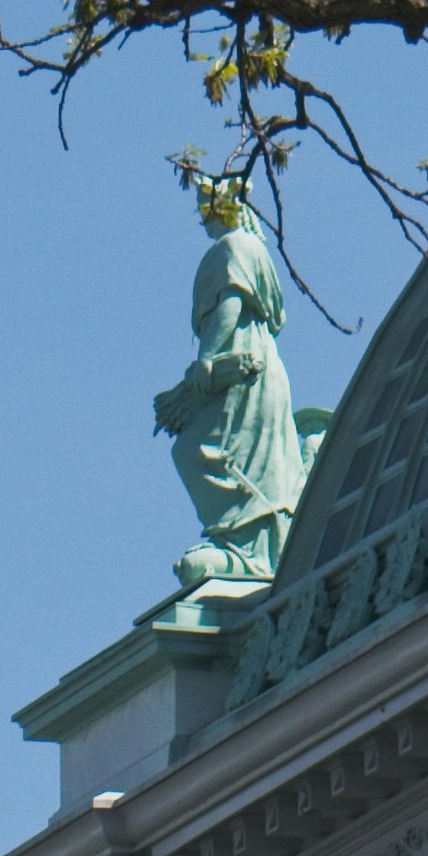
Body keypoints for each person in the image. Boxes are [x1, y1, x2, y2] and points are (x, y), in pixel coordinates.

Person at [156, 198, 311, 597]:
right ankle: (253, 544)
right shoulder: (250, 247)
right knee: (242, 455)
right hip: (253, 366)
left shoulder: (233, 247)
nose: (203, 217)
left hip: (240, 366)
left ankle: (250, 550)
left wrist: (206, 359)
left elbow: (231, 303)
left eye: (207, 207)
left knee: (193, 451)